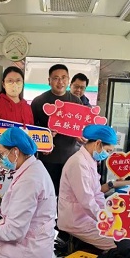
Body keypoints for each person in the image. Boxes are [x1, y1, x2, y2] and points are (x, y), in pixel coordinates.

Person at [0, 127, 57, 258]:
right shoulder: (33, 168)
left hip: (30, 250)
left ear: (15, 151)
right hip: (32, 240)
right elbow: (22, 217)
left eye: (3, 154)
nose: (3, 158)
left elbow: (14, 233)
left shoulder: (30, 180)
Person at [57, 125, 118, 253]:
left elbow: (97, 193)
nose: (107, 155)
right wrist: (103, 219)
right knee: (114, 243)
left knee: (117, 234)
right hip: (75, 219)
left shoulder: (90, 160)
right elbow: (87, 200)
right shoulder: (78, 163)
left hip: (86, 215)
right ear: (98, 143)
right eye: (108, 150)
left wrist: (106, 214)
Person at [31, 64, 83, 195]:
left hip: (70, 157)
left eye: (64, 77)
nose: (60, 82)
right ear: (49, 80)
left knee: (67, 194)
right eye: (56, 78)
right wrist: (44, 136)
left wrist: (81, 136)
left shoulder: (76, 102)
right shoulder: (38, 101)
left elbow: (80, 127)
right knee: (47, 194)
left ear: (68, 80)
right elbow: (31, 130)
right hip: (47, 158)